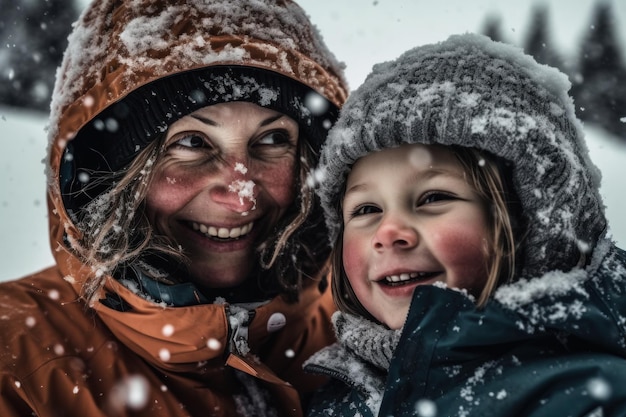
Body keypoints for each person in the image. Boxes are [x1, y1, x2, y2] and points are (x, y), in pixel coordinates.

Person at [0, 0, 348, 416]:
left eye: (272, 140)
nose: (241, 195)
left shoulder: (369, 321)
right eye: (192, 143)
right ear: (111, 174)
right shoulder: (18, 368)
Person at [304, 33, 626, 416]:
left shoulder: (582, 396)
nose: (388, 233)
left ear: (534, 223)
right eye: (366, 209)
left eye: (433, 198)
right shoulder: (334, 393)